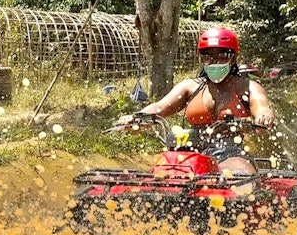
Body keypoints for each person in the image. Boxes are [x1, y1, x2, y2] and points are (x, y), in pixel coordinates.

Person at [115, 27, 275, 174]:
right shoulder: (189, 87)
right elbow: (160, 107)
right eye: (208, 58)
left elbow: (261, 106)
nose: (214, 62)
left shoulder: (248, 87)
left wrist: (263, 117)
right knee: (161, 177)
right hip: (190, 153)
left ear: (233, 58)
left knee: (237, 175)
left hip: (231, 153)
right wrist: (137, 117)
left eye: (221, 56)